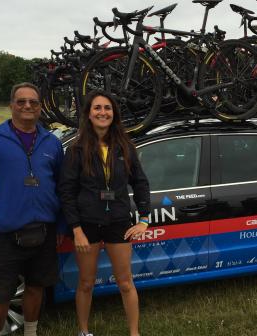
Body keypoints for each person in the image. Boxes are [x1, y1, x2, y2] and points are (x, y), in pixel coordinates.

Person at [0, 82, 64, 336]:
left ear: (40, 107)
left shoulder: (51, 142)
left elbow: (62, 185)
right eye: (21, 101)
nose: (27, 106)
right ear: (11, 105)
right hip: (8, 232)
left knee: (36, 287)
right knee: (1, 295)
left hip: (44, 230)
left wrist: (61, 224)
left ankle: (30, 332)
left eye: (33, 101)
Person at [58, 90, 151, 336]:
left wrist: (144, 219)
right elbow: (66, 192)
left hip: (118, 221)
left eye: (107, 108)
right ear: (88, 114)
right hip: (86, 224)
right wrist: (76, 230)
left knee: (125, 282)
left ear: (114, 114)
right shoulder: (76, 150)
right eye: (97, 108)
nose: (102, 112)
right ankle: (84, 331)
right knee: (86, 283)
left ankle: (134, 332)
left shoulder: (125, 147)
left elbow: (140, 182)